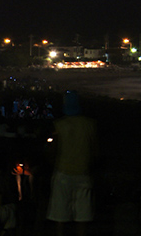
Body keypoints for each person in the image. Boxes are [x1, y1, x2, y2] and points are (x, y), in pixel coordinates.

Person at [46, 92, 98, 236]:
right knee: (83, 216)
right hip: (84, 173)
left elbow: (52, 149)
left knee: (60, 214)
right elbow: (95, 151)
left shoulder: (59, 125)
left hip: (63, 172)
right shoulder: (90, 124)